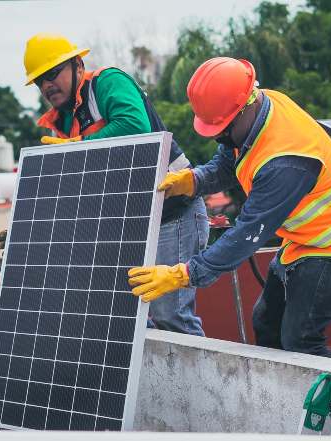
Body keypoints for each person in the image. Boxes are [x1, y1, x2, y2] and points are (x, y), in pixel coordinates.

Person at [128, 57, 331, 356]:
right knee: (266, 322)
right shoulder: (258, 107)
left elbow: (247, 234)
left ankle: (329, 400)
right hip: (306, 238)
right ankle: (281, 397)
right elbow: (229, 160)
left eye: (223, 128)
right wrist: (194, 180)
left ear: (245, 107)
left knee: (301, 341)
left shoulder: (286, 162)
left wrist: (184, 274)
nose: (220, 136)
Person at [20, 33, 208, 336]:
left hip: (173, 212)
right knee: (128, 316)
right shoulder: (63, 120)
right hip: (128, 222)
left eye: (52, 74)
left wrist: (79, 144)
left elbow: (136, 126)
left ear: (77, 65)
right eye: (40, 81)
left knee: (169, 315)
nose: (47, 85)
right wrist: (30, 225)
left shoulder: (107, 83)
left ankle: (201, 384)